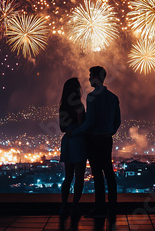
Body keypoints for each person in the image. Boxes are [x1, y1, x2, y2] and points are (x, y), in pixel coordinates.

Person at [70, 66, 121, 221]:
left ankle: (99, 208)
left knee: (97, 175)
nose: (89, 78)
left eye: (90, 75)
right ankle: (112, 207)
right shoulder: (113, 97)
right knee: (109, 174)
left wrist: (75, 132)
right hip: (106, 139)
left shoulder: (92, 97)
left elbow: (90, 122)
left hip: (94, 140)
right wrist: (109, 132)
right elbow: (117, 122)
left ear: (96, 77)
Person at [59, 78, 87, 224]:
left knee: (68, 177)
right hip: (78, 141)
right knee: (79, 177)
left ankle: (63, 206)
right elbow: (83, 126)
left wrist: (70, 130)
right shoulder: (79, 106)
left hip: (67, 141)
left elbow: (62, 128)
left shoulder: (63, 106)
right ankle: (75, 206)